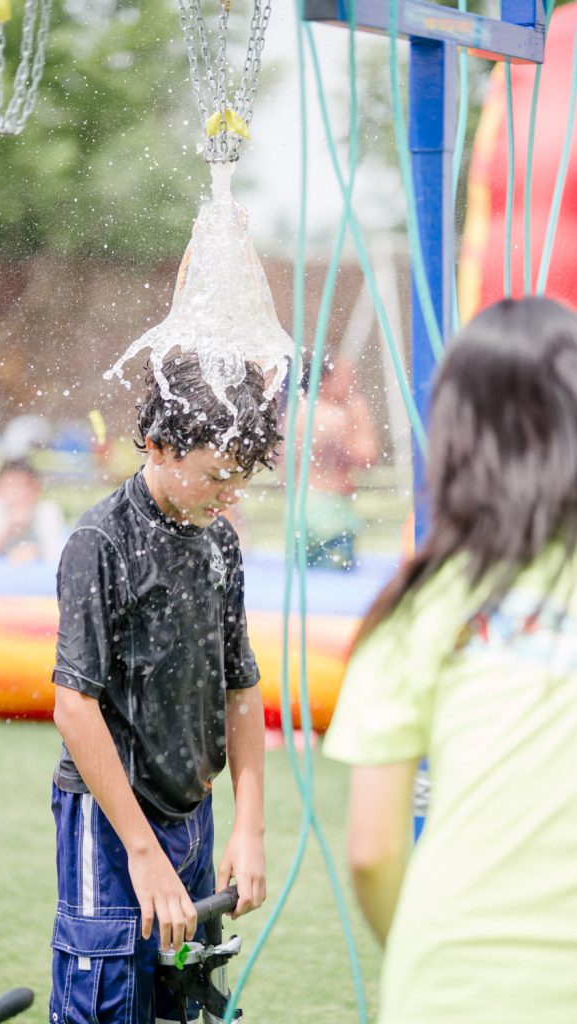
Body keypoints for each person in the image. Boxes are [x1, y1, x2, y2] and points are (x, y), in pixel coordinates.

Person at [324, 296, 577, 1023]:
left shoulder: (418, 605)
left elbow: (371, 852)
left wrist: (426, 954)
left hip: (444, 978)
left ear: (456, 436)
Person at [49, 353, 280, 1024]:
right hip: (110, 817)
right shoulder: (101, 540)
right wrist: (141, 854)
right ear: (157, 445)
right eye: (215, 477)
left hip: (191, 811)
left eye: (240, 479)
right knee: (110, 998)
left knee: (182, 991)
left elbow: (240, 687)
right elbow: (74, 707)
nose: (228, 495)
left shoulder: (218, 542)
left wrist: (249, 826)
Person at [295, 357, 377, 569]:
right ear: (323, 381)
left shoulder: (300, 410)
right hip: (325, 509)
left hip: (305, 504)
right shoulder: (330, 415)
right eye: (345, 378)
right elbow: (367, 457)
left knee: (311, 574)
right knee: (333, 576)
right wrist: (359, 418)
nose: (353, 384)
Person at [0, 458, 65, 565]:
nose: (17, 494)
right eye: (9, 487)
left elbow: (57, 557)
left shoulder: (47, 511)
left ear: (37, 489)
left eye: (23, 486)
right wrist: (9, 527)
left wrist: (36, 552)